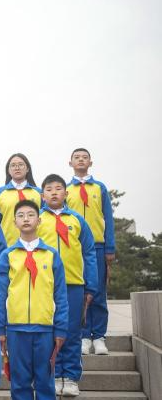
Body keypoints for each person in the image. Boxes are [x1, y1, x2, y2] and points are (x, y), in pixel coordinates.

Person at [0, 201, 68, 400]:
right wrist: (0, 329)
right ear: (14, 222)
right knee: (20, 381)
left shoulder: (51, 255)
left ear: (39, 220)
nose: (26, 219)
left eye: (30, 215)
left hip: (44, 328)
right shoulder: (8, 256)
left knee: (45, 381)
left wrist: (60, 328)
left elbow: (61, 295)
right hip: (16, 330)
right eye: (21, 215)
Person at [39, 174, 98, 397]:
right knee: (50, 331)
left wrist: (90, 285)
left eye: (58, 188)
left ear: (66, 193)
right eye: (49, 189)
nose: (54, 192)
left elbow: (89, 253)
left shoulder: (77, 220)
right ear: (42, 195)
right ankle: (54, 374)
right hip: (45, 286)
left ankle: (71, 376)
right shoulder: (37, 220)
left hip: (73, 284)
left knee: (72, 331)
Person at [66, 148, 115, 355]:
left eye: (84, 157)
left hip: (97, 246)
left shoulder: (99, 188)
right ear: (70, 163)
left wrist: (109, 247)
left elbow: (108, 218)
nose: (81, 160)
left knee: (98, 292)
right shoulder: (66, 190)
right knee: (81, 293)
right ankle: (84, 336)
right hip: (75, 249)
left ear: (90, 162)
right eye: (77, 157)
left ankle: (99, 336)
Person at [0, 153, 42, 247]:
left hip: (36, 247)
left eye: (21, 165)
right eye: (13, 165)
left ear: (27, 169)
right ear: (8, 170)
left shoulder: (39, 193)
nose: (17, 168)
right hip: (7, 247)